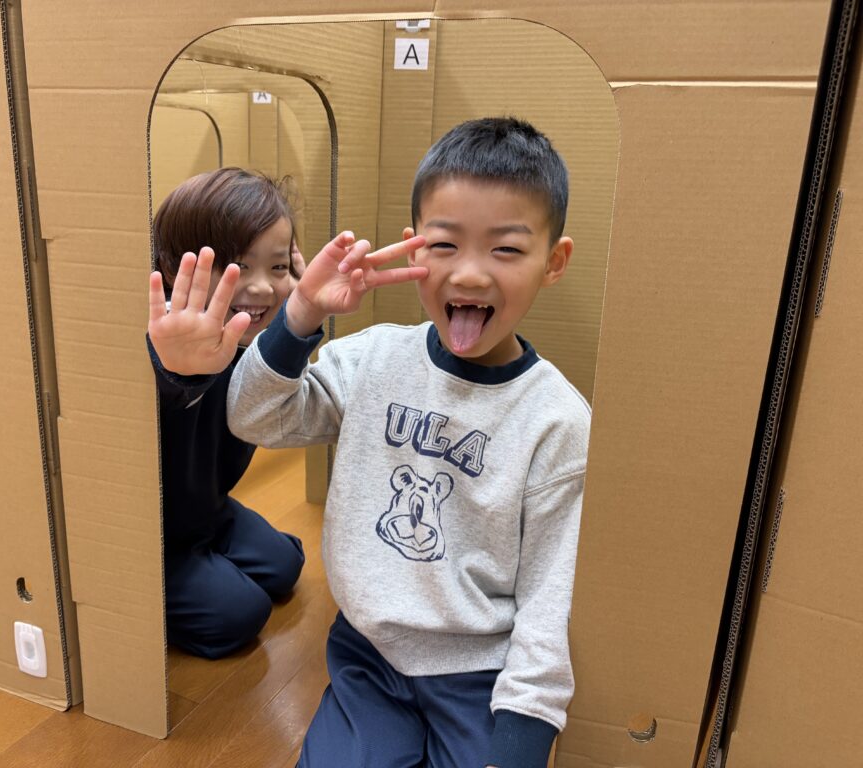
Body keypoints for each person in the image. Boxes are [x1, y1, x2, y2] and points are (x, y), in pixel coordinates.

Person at [226, 117, 590, 767]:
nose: (470, 275)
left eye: (506, 250)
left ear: (554, 262)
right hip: (369, 652)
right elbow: (256, 418)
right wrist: (300, 315)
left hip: (479, 671)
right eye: (445, 245)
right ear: (413, 248)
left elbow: (549, 603)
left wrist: (520, 741)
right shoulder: (373, 359)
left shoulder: (557, 421)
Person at [146, 167, 307, 659]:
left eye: (278, 267)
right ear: (173, 268)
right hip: (152, 532)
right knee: (238, 614)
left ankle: (209, 554)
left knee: (285, 563)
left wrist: (301, 314)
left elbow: (274, 400)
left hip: (206, 508)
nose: (262, 288)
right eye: (237, 266)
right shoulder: (165, 338)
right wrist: (180, 373)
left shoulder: (248, 340)